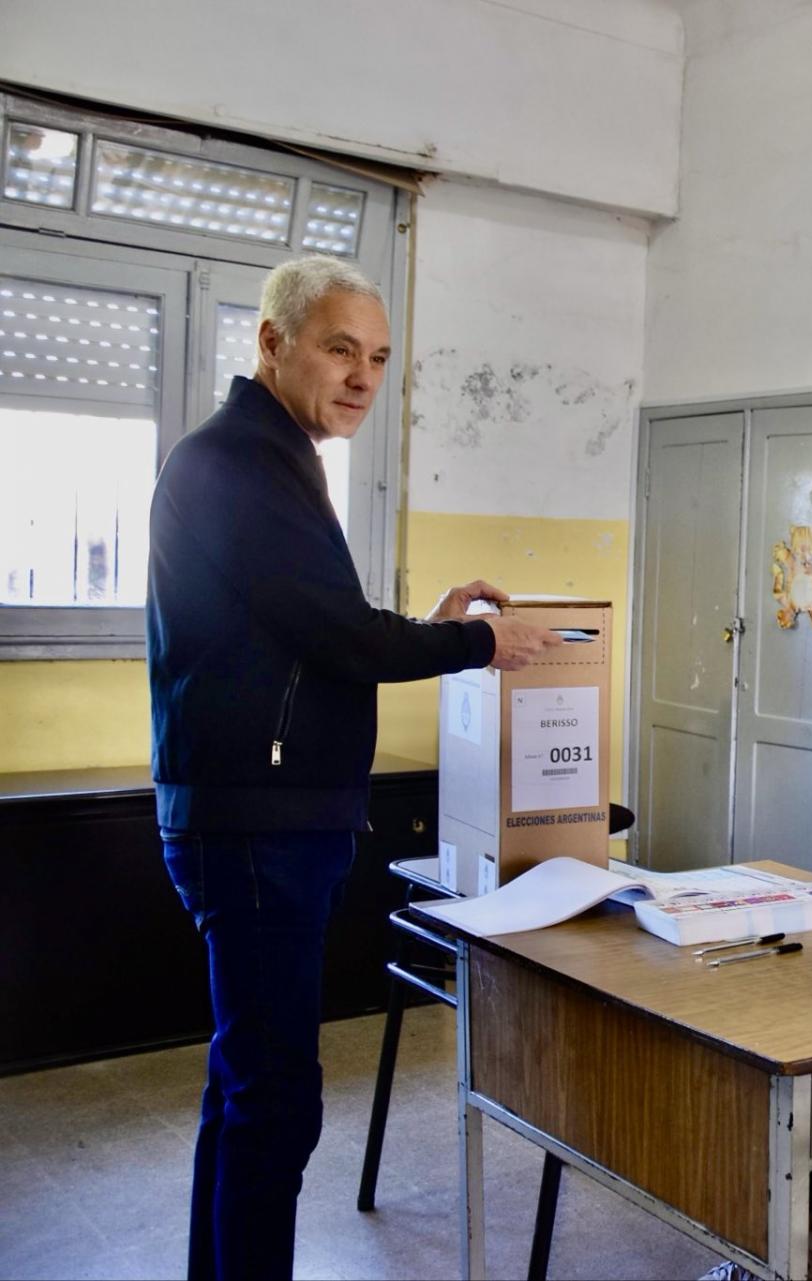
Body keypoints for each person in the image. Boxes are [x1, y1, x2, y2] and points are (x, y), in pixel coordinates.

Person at [146, 255, 561, 1281]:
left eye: (378, 357)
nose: (363, 377)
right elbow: (340, 639)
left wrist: (425, 631)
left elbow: (309, 637)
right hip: (257, 824)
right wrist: (478, 646)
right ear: (273, 344)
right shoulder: (243, 463)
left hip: (269, 815)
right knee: (275, 1101)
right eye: (340, 348)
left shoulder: (272, 461)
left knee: (245, 1087)